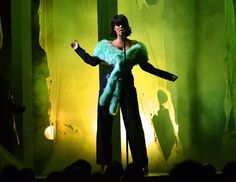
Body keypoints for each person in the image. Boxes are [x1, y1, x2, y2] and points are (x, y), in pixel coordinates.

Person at [71, 14, 178, 174]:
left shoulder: (135, 46)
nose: (120, 27)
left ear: (126, 27)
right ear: (114, 28)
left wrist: (167, 75)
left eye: (123, 24)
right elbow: (92, 61)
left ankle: (142, 164)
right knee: (104, 126)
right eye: (117, 25)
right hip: (108, 87)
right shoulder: (106, 46)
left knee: (134, 126)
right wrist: (78, 49)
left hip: (127, 87)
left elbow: (146, 67)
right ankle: (104, 164)